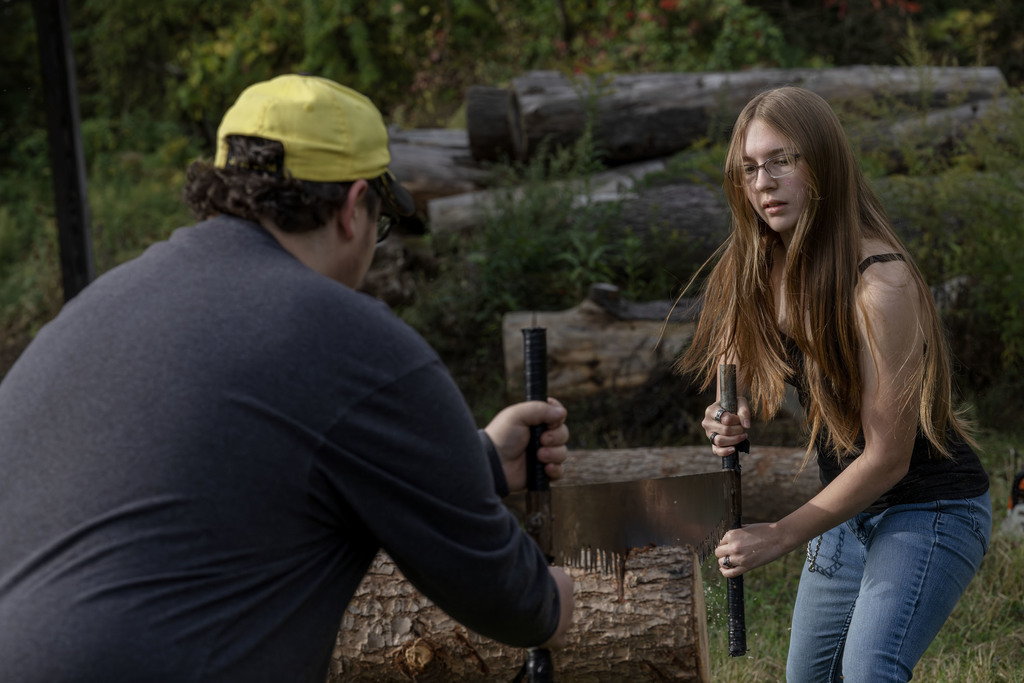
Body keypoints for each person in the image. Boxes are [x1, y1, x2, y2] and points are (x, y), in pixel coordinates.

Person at [0, 74, 574, 681]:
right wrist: (560, 599)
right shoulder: (349, 337)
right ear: (354, 208)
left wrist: (479, 460)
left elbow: (216, 471)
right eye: (380, 224)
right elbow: (512, 599)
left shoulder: (98, 307)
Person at [677, 86, 990, 682]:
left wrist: (779, 535)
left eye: (781, 160)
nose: (764, 182)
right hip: (851, 511)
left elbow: (889, 458)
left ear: (822, 163)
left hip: (931, 506)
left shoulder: (879, 284)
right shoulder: (758, 263)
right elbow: (730, 368)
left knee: (868, 669)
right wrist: (726, 413)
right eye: (749, 168)